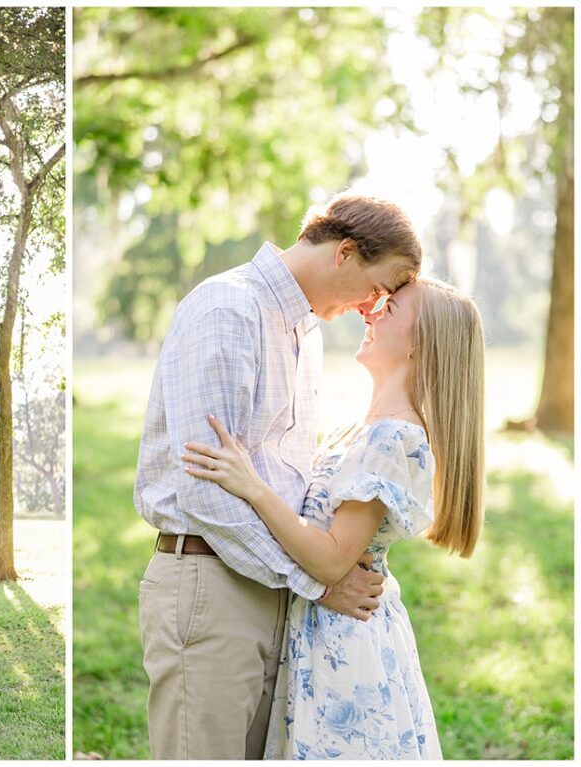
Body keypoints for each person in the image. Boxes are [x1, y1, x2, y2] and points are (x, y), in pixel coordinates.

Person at [134, 194, 423, 759]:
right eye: (378, 287)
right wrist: (316, 580)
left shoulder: (304, 333)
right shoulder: (228, 309)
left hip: (272, 591)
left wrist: (311, 577)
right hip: (210, 581)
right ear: (345, 252)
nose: (373, 307)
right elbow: (205, 492)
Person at [182, 277, 484, 758]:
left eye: (390, 309)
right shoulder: (362, 428)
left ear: (419, 344)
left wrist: (251, 485)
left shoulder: (394, 438)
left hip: (347, 642)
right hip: (324, 629)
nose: (370, 313)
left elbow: (331, 561)